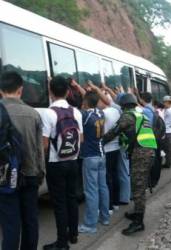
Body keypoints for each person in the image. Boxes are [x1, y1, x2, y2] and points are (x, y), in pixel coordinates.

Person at [0, 71, 45, 250]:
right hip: (30, 173)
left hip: (4, 177)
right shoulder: (33, 113)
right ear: (21, 89)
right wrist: (41, 173)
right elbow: (39, 149)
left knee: (10, 225)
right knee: (30, 220)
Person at [103, 94, 157, 236]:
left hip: (141, 153)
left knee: (138, 188)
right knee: (138, 185)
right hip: (148, 151)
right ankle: (137, 213)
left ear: (123, 105)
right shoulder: (141, 115)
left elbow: (114, 132)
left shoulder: (127, 116)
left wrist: (100, 141)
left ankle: (139, 223)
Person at [42, 76, 83, 250]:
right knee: (72, 198)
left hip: (56, 163)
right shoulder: (76, 112)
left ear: (50, 91)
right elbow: (81, 139)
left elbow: (44, 144)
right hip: (73, 162)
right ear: (68, 92)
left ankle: (61, 243)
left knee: (59, 203)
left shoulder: (48, 113)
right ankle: (73, 235)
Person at [78, 91, 110, 234]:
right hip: (102, 155)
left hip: (90, 157)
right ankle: (105, 217)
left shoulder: (84, 115)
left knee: (91, 191)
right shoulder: (100, 113)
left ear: (85, 102)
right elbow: (92, 100)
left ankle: (90, 225)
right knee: (103, 187)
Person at [161, 96, 171, 168]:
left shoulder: (168, 111)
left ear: (167, 102)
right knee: (168, 149)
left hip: (166, 131)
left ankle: (168, 164)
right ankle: (168, 162)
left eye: (164, 102)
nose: (163, 104)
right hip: (169, 131)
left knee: (167, 149)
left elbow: (161, 117)